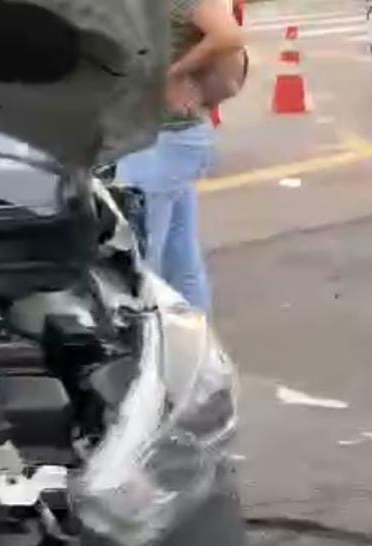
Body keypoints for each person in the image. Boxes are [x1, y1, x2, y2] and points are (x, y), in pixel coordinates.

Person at [116, 0, 245, 314]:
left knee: (140, 263)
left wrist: (173, 74)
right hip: (170, 140)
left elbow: (228, 35)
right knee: (180, 254)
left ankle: (148, 350)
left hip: (162, 142)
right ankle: (195, 341)